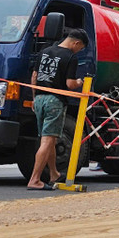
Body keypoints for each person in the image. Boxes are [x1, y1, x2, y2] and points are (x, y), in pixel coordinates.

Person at [27, 28, 88, 190]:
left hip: (39, 99)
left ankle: (54, 173)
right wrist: (80, 83)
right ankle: (35, 180)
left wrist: (34, 98)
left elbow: (34, 76)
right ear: (76, 43)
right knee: (47, 141)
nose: (79, 51)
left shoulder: (45, 51)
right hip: (54, 101)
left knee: (49, 139)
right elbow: (69, 84)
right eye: (80, 48)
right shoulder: (70, 57)